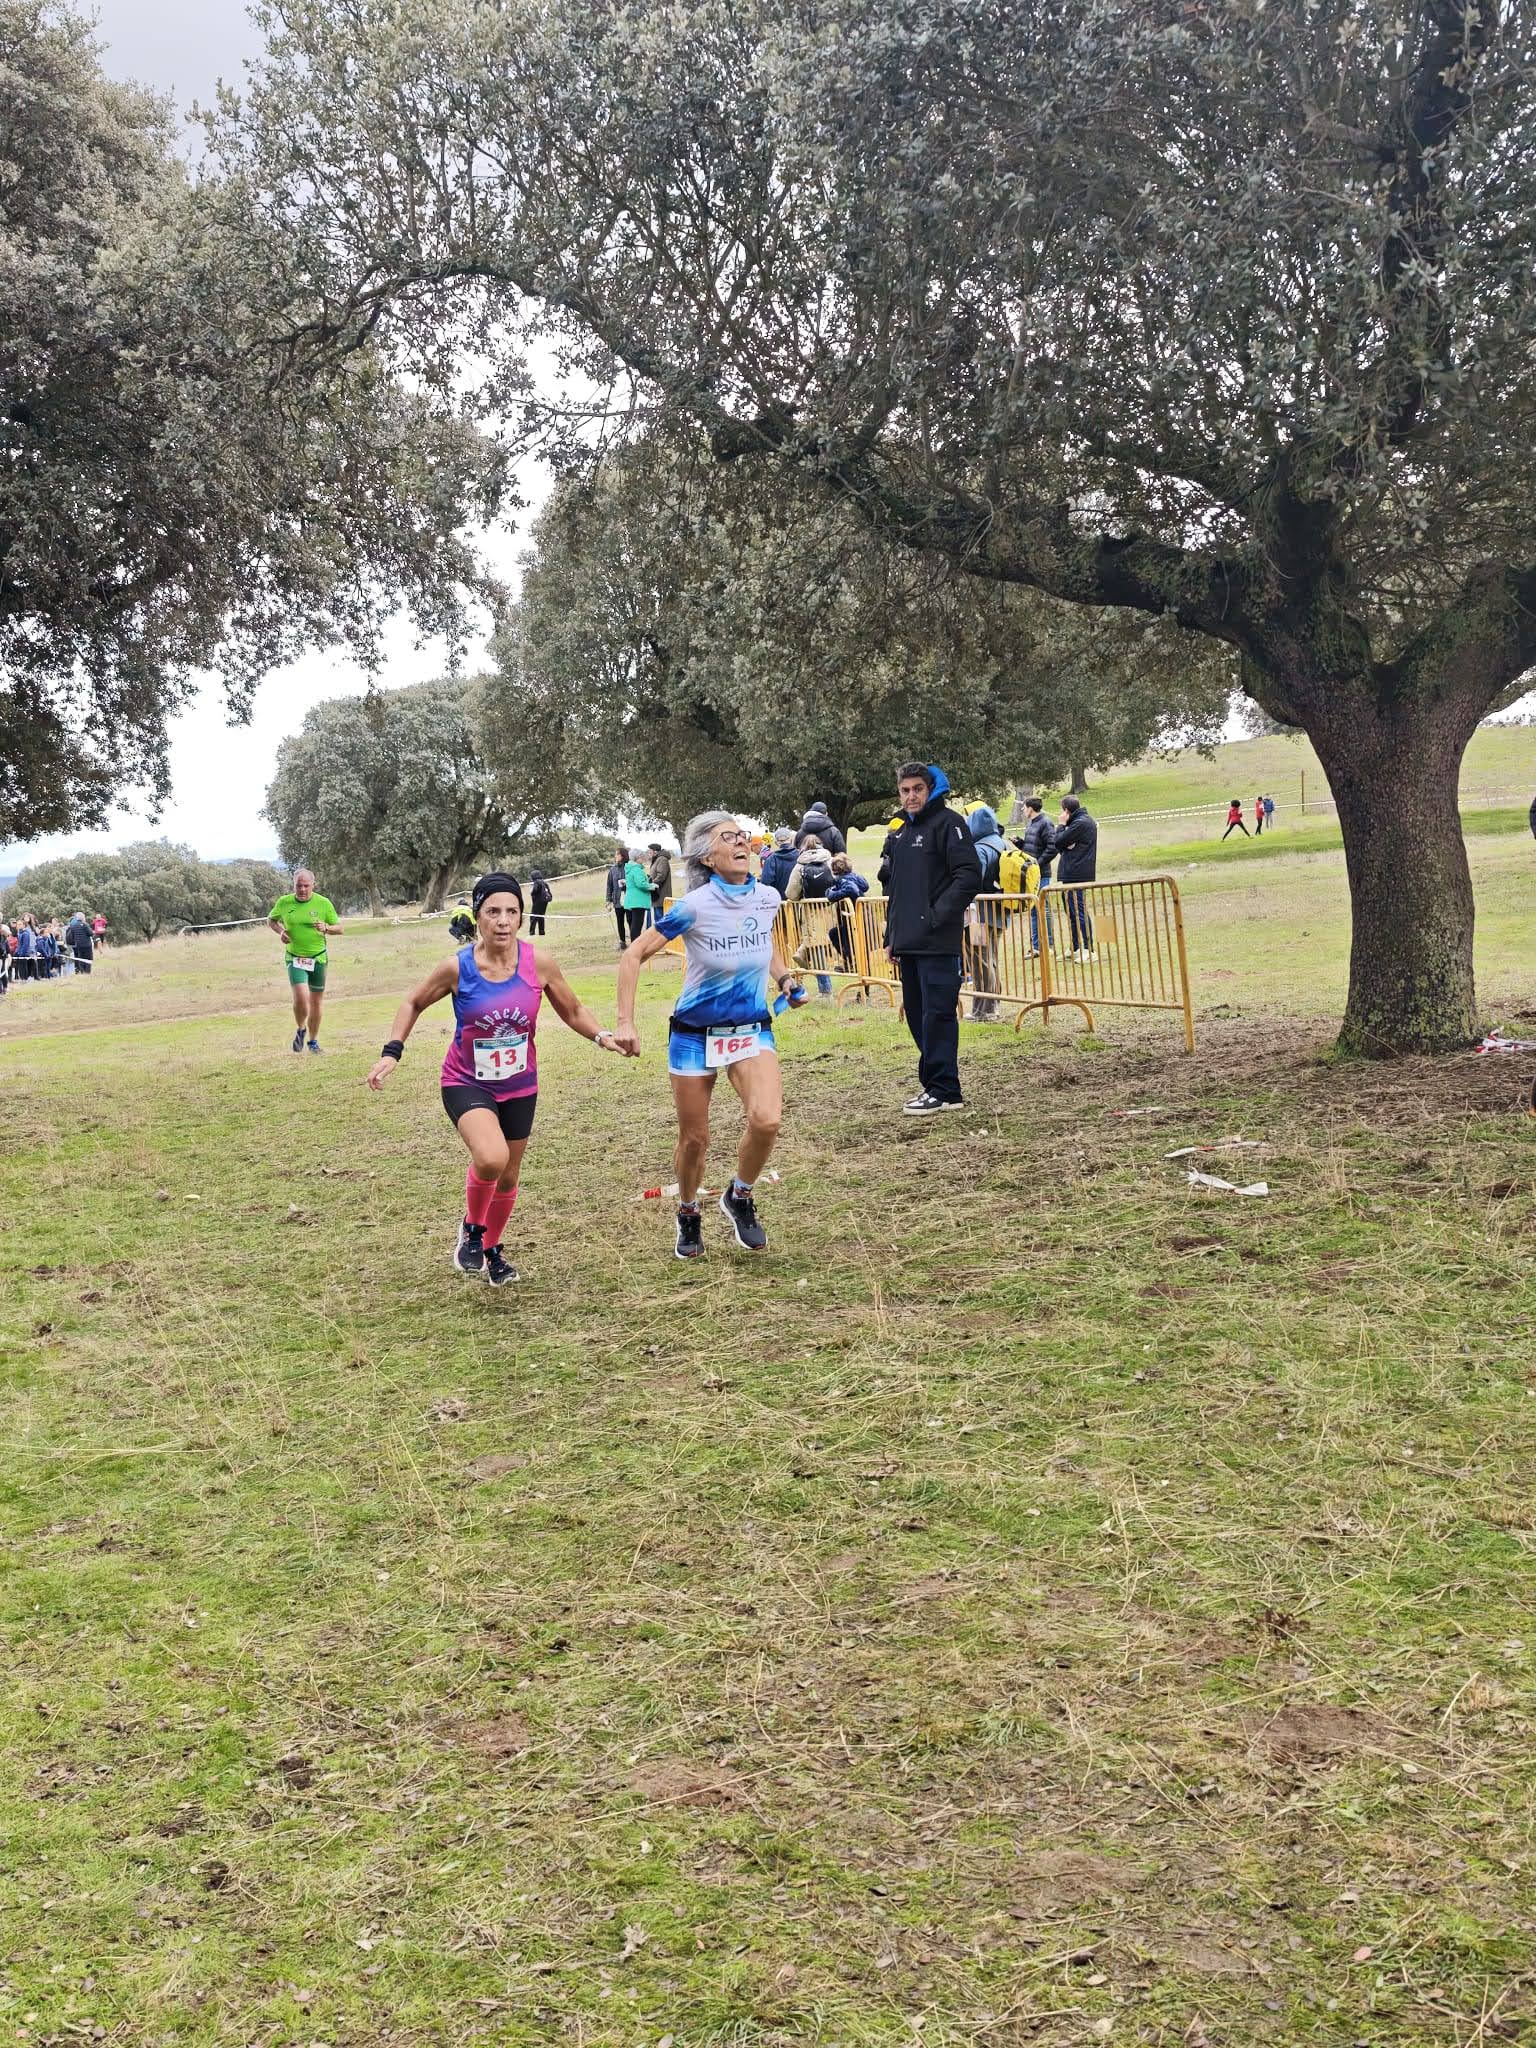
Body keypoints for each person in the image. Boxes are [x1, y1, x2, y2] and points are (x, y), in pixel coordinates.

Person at [366, 871, 633, 1284]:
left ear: (522, 918)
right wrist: (392, 1052)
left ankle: (491, 1251)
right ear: (477, 917)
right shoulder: (457, 968)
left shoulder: (538, 962)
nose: (503, 920)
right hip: (465, 1081)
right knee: (491, 1158)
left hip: (520, 1085)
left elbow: (573, 1010)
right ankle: (472, 1230)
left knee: (508, 1175)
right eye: (493, 911)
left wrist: (602, 1036)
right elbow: (413, 1001)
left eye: (512, 911)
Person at [615, 811, 804, 1260]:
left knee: (767, 1119)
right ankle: (687, 1210)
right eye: (728, 837)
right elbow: (633, 956)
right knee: (695, 1138)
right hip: (695, 1033)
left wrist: (784, 979)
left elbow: (762, 944)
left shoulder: (767, 897)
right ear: (707, 856)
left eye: (742, 835)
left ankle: (738, 1196)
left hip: (750, 1028)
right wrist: (626, 1021)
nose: (741, 842)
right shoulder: (694, 906)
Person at [883, 762, 983, 1115]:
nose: (911, 796)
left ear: (930, 789)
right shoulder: (898, 832)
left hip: (937, 941)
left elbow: (969, 875)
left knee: (937, 1014)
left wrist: (938, 915)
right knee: (916, 1014)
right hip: (907, 941)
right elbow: (892, 887)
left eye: (917, 789)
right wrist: (889, 935)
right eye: (905, 790)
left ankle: (945, 1089)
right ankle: (935, 1084)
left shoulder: (949, 824)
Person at [267, 868, 344, 1053]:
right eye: (298, 886)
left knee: (316, 1003)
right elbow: (271, 920)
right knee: (301, 998)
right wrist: (281, 932)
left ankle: (313, 1042)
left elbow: (340, 928)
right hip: (295, 958)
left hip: (318, 958)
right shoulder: (284, 902)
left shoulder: (323, 903)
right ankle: (301, 1028)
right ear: (293, 885)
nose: (302, 889)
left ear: (313, 885)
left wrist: (326, 928)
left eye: (306, 886)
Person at [965, 803, 1009, 1021]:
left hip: (978, 916)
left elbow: (971, 882)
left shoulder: (980, 849)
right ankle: (992, 1005)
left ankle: (984, 1009)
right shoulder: (1003, 844)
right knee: (990, 959)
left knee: (979, 961)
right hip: (998, 913)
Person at [787, 834, 837, 995]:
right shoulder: (830, 861)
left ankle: (825, 988)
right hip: (831, 909)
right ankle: (802, 953)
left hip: (810, 912)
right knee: (827, 943)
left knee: (816, 949)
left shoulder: (800, 865)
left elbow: (791, 893)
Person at [1052, 795, 1099, 958]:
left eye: (1062, 810)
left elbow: (1057, 841)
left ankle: (1089, 948)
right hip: (1071, 873)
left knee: (1079, 911)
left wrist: (1061, 825)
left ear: (1066, 810)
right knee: (1071, 912)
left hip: (1077, 874)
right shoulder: (1078, 822)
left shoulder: (1081, 823)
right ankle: (1076, 946)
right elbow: (1062, 844)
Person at [825, 851, 870, 977]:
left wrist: (830, 893)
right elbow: (864, 886)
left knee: (840, 936)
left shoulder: (843, 880)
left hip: (853, 919)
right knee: (835, 934)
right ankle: (851, 963)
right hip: (861, 917)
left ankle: (851, 963)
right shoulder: (855, 876)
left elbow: (852, 890)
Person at [622, 849, 653, 942]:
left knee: (633, 925)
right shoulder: (637, 869)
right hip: (638, 900)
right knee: (637, 926)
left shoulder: (629, 868)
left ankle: (634, 946)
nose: (642, 859)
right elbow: (641, 884)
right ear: (637, 858)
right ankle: (635, 948)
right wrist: (652, 886)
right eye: (641, 857)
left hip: (631, 900)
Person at [758, 827, 799, 896]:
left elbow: (765, 883)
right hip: (800, 903)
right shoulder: (801, 856)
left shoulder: (771, 859)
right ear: (791, 840)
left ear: (776, 843)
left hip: (780, 903)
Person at [605, 846, 629, 951]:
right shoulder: (613, 869)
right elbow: (609, 885)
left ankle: (635, 942)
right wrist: (608, 900)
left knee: (631, 921)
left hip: (628, 899)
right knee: (620, 922)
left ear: (622, 856)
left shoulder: (629, 867)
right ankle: (622, 942)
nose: (615, 856)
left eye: (617, 854)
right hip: (617, 901)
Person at [646, 842, 673, 923]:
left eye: (650, 851)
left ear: (655, 852)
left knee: (660, 920)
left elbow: (661, 875)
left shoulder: (662, 859)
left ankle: (662, 935)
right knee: (657, 919)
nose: (648, 853)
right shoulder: (657, 859)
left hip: (661, 895)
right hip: (657, 894)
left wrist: (651, 884)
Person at [528, 870, 552, 936]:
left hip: (538, 902)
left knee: (533, 917)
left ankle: (531, 933)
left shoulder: (537, 882)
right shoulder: (544, 883)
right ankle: (542, 932)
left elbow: (535, 890)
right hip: (545, 902)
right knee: (541, 916)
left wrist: (531, 892)